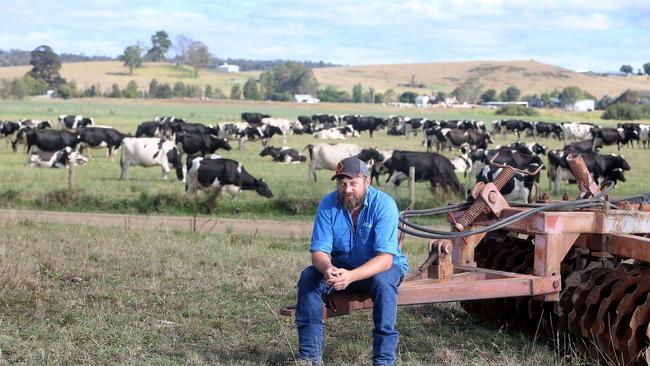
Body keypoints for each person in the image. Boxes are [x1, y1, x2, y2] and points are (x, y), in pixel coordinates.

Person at [292, 156, 409, 366]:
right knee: (309, 276)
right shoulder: (328, 204)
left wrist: (352, 276)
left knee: (383, 282)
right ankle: (309, 357)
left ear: (367, 181)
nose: (347, 189)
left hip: (381, 267)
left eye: (353, 183)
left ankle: (383, 361)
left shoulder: (384, 205)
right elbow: (319, 251)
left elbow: (384, 260)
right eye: (342, 183)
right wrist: (327, 268)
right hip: (342, 266)